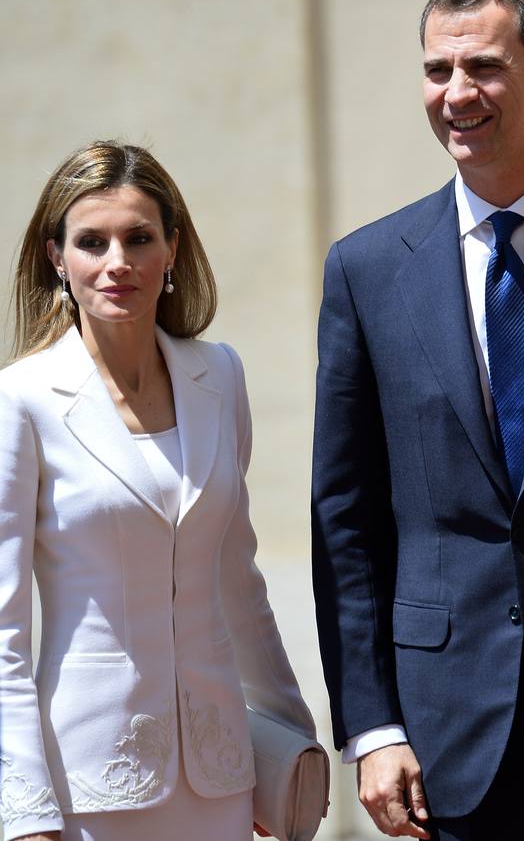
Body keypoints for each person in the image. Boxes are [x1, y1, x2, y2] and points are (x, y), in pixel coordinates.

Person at [312, 0, 524, 841]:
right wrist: (372, 727)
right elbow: (346, 517)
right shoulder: (366, 271)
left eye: (482, 67)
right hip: (449, 725)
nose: (456, 93)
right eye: (435, 71)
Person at [0, 140, 315, 841]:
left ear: (171, 249)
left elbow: (239, 581)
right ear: (57, 256)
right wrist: (23, 812)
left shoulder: (219, 376)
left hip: (221, 775)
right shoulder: (22, 399)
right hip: (86, 781)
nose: (117, 262)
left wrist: (290, 745)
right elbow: (5, 631)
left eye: (139, 238)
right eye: (92, 242)